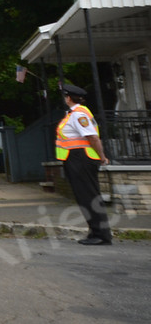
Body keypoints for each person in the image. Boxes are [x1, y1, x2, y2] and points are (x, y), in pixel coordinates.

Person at [56, 83, 113, 246]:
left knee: (89, 197)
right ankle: (95, 231)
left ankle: (102, 235)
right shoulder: (74, 114)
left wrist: (102, 156)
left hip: (81, 159)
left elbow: (92, 137)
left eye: (64, 96)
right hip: (76, 158)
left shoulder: (78, 115)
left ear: (68, 98)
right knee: (85, 197)